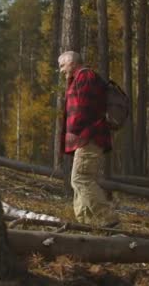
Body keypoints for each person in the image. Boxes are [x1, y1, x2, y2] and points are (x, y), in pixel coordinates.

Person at [58, 51, 119, 227]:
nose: (61, 70)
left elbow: (83, 109)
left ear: (72, 62)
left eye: (62, 65)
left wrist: (73, 132)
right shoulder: (81, 78)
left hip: (89, 137)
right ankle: (86, 221)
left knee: (80, 178)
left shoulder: (86, 76)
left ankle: (107, 217)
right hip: (87, 137)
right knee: (80, 178)